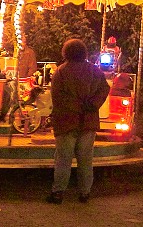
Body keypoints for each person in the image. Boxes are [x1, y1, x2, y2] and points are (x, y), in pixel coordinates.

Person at [47, 39, 110, 204]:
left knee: (63, 159)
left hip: (67, 121)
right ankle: (85, 192)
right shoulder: (94, 71)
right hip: (88, 121)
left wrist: (76, 107)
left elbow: (58, 97)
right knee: (85, 159)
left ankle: (58, 192)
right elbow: (105, 88)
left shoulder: (61, 72)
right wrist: (92, 104)